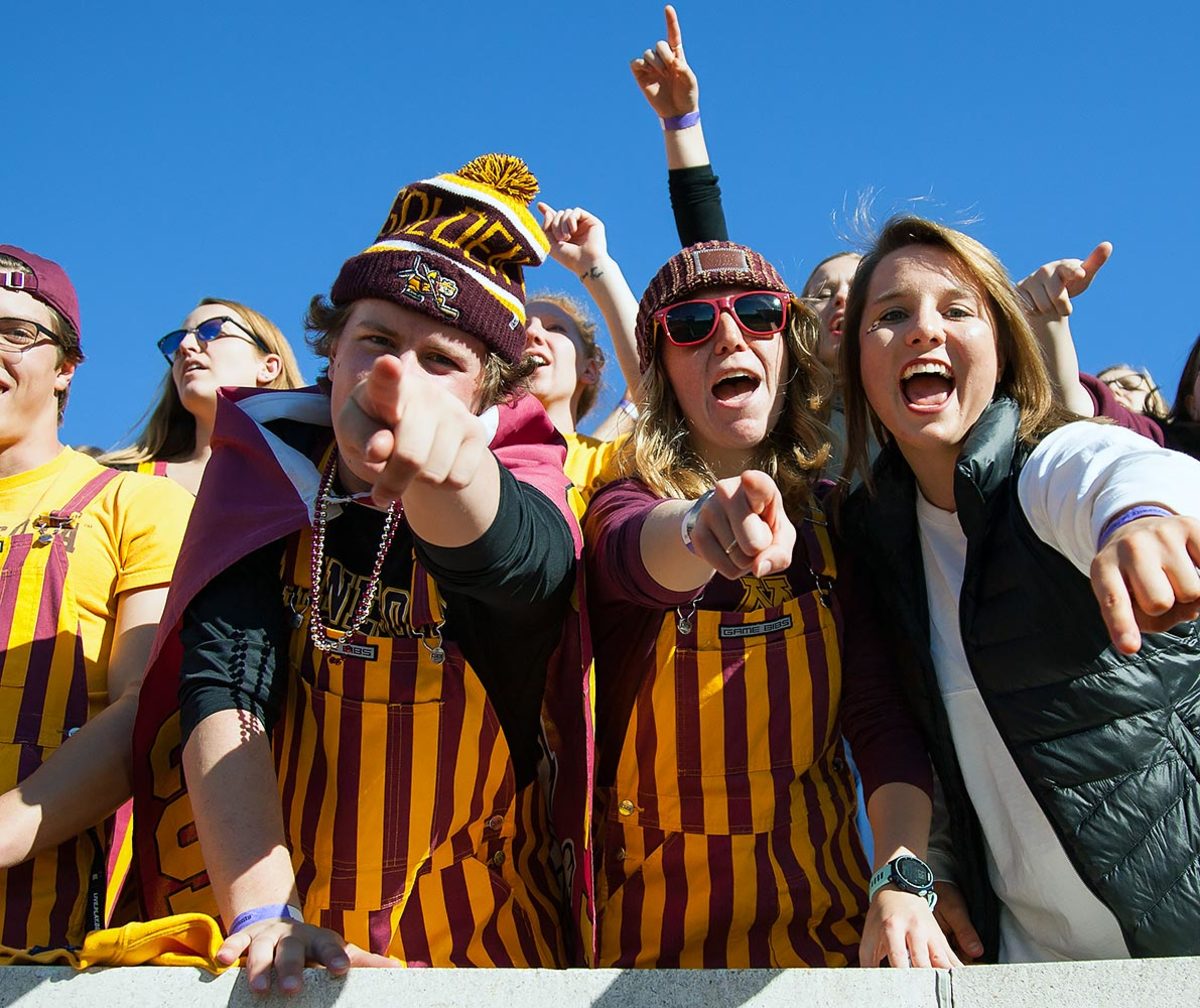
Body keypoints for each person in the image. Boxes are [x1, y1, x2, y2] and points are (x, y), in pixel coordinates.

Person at [129, 155, 592, 990]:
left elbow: (529, 573)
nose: (398, 379)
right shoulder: (264, 465)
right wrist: (265, 915)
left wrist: (454, 477)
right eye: (377, 340)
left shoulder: (518, 471)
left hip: (483, 950)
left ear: (490, 397)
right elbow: (226, 682)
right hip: (286, 937)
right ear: (330, 351)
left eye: (441, 360)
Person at [836, 215, 1200, 962]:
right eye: (891, 315)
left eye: (957, 310)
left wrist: (1141, 520)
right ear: (858, 369)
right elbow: (920, 740)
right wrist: (928, 872)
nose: (922, 332)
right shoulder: (875, 544)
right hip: (1030, 964)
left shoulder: (1043, 467)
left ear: (1003, 347)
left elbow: (1111, 469)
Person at [586, 239, 951, 968]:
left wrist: (904, 878)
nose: (728, 333)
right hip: (643, 953)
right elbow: (631, 555)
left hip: (826, 938)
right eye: (691, 324)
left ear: (789, 349)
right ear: (660, 373)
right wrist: (698, 526)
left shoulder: (837, 523)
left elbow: (879, 718)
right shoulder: (621, 502)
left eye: (758, 315)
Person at [0, 245, 192, 951]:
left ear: (65, 370)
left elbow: (146, 704)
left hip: (40, 943)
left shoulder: (131, 503)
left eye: (16, 332)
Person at [100, 299, 305, 493]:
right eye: (177, 340)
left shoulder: (316, 480)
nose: (185, 345)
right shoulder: (116, 481)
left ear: (268, 367)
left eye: (212, 331)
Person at [528, 204, 641, 502]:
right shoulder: (470, 446)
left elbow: (660, 390)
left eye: (556, 329)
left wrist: (593, 263)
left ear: (589, 368)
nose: (533, 333)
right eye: (518, 329)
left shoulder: (610, 462)